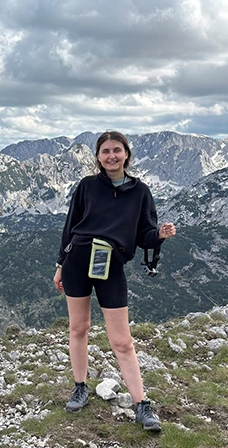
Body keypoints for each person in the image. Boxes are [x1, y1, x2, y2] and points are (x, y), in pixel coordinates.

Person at [53, 130, 176, 432]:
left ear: (126, 154)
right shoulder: (87, 186)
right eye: (105, 151)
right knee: (78, 328)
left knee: (122, 341)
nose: (111, 156)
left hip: (111, 264)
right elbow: (70, 227)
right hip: (77, 260)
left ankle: (142, 404)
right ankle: (80, 386)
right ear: (98, 157)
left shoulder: (140, 192)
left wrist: (159, 235)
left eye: (116, 150)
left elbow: (144, 235)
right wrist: (59, 265)